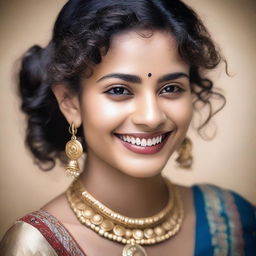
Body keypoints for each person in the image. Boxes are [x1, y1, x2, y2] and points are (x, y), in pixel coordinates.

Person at [0, 0, 255, 255]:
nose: (152, 117)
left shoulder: (235, 221)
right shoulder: (34, 247)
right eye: (119, 90)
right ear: (70, 102)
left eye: (171, 89)